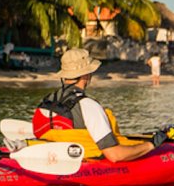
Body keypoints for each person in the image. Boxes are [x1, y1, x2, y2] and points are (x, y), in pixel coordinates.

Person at [31, 48, 165, 162]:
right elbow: (114, 155)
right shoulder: (89, 106)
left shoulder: (47, 101)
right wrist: (151, 145)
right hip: (86, 176)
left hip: (55, 160)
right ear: (86, 74)